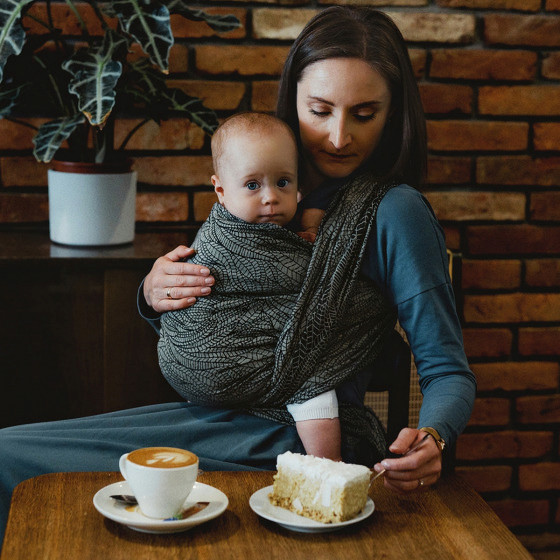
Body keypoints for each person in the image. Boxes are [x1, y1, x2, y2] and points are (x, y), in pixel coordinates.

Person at [0, 6, 476, 547]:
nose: (339, 136)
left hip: (290, 438)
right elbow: (224, 319)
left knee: (14, 462)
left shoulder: (395, 213)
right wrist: (155, 296)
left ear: (394, 115)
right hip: (213, 416)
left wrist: (435, 437)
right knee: (9, 450)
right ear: (292, 99)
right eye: (319, 110)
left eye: (364, 114)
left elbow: (448, 370)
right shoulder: (256, 188)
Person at [158, 111, 341, 461]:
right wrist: (308, 250)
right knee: (313, 385)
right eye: (253, 185)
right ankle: (329, 467)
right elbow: (297, 276)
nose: (270, 197)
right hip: (210, 354)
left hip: (213, 384)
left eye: (283, 183)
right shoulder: (222, 240)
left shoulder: (276, 229)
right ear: (221, 191)